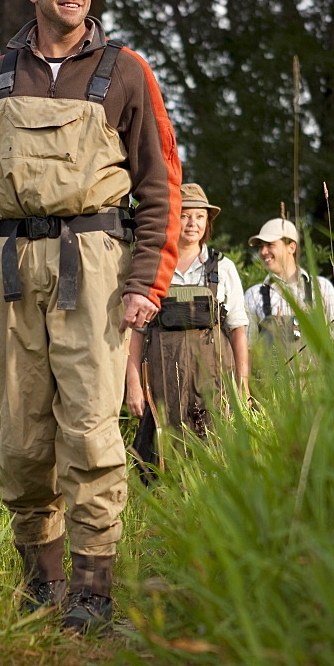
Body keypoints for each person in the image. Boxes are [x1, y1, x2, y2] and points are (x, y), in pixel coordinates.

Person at [0, 0, 181, 633]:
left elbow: (159, 185)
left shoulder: (124, 70)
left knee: (91, 432)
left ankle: (93, 594)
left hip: (95, 266)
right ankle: (40, 587)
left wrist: (145, 282)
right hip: (11, 266)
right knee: (19, 435)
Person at [126, 183, 249, 468]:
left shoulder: (223, 268)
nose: (192, 223)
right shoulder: (152, 267)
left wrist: (242, 386)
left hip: (215, 383)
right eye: (184, 215)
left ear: (207, 223)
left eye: (200, 217)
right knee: (162, 458)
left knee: (216, 458)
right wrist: (133, 383)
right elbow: (135, 331)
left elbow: (239, 330)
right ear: (172, 219)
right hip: (162, 383)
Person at [244, 216, 334, 364]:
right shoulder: (253, 295)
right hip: (272, 386)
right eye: (260, 246)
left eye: (270, 245)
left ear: (291, 247)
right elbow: (249, 350)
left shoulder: (322, 287)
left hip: (319, 386)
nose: (263, 251)